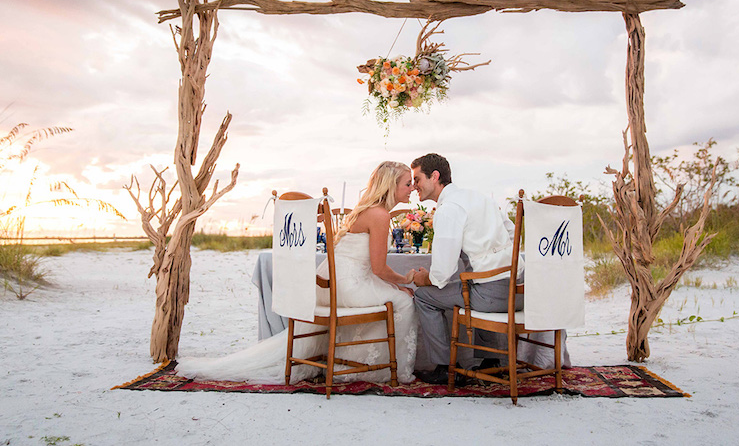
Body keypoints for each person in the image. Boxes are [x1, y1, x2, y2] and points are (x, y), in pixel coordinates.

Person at [176, 161, 419, 384]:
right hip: (348, 286)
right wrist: (404, 280)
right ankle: (381, 369)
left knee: (394, 295)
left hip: (327, 285)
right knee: (405, 302)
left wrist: (394, 285)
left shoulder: (365, 210)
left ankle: (355, 362)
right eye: (407, 184)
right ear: (391, 185)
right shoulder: (380, 215)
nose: (412, 189)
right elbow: (379, 269)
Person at [410, 153, 522, 385]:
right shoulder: (479, 198)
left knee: (423, 297)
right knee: (474, 282)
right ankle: (491, 362)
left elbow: (443, 272)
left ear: (435, 176)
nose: (414, 187)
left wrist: (424, 279)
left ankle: (445, 367)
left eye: (417, 179)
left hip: (492, 295)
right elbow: (512, 233)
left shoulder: (449, 208)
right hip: (519, 290)